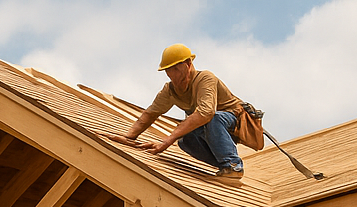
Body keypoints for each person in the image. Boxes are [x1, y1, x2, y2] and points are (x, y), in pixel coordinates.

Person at [104, 44, 250, 179]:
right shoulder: (170, 90)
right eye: (168, 70)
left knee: (213, 119)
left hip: (233, 122)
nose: (172, 75)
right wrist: (129, 138)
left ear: (188, 64)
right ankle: (223, 167)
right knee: (185, 140)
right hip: (211, 128)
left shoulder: (205, 78)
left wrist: (168, 140)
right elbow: (150, 113)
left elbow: (206, 113)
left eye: (176, 69)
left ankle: (233, 166)